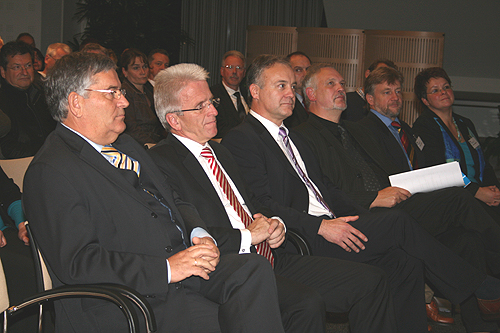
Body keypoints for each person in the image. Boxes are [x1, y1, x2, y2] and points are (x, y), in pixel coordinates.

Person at [221, 54, 500, 333]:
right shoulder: (243, 138)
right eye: (280, 86)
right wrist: (322, 226)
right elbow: (262, 204)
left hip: (335, 223)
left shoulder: (293, 138)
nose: (290, 94)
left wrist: (367, 220)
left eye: (292, 87)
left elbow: (327, 190)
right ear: (255, 91)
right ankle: (480, 287)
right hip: (301, 237)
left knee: (405, 262)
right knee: (397, 222)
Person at [22, 52, 285, 333]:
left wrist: (199, 234)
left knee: (252, 270)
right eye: (112, 93)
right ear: (76, 102)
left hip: (181, 269)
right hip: (129, 297)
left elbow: (173, 198)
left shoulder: (126, 145)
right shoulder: (51, 169)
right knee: (222, 319)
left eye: (121, 92)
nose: (124, 101)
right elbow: (78, 262)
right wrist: (167, 269)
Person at [148, 63, 397, 332]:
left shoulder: (219, 153)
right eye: (201, 106)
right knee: (306, 303)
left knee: (372, 280)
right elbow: (185, 231)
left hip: (271, 254)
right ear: (173, 120)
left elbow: (253, 204)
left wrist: (274, 224)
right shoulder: (161, 163)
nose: (214, 111)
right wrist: (248, 236)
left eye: (212, 101)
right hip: (231, 265)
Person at [412, 67, 500, 217]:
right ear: (425, 100)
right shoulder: (424, 126)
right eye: (435, 90)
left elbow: (484, 164)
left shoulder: (465, 124)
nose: (443, 92)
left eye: (446, 87)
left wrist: (494, 190)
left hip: (480, 194)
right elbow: (438, 170)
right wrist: (476, 192)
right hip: (452, 199)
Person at [0, 41, 56, 158]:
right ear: (3, 72)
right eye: (17, 67)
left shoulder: (43, 93)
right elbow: (8, 148)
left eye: (28, 65)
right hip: (20, 165)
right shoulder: (3, 102)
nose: (24, 72)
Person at [0, 166, 38, 332]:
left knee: (39, 260)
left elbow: (8, 192)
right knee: (21, 269)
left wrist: (22, 225)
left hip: (6, 232)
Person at [120, 48, 164, 145]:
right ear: (125, 71)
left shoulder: (150, 89)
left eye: (145, 66)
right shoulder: (124, 93)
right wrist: (153, 145)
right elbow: (131, 128)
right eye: (136, 68)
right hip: (138, 144)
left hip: (156, 141)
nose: (143, 71)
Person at [210, 50, 249, 139]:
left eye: (239, 68)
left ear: (244, 73)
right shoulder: (212, 95)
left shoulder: (249, 95)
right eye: (230, 67)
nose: (234, 72)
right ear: (222, 71)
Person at [284, 51, 311, 128]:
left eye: (308, 69)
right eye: (298, 70)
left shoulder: (318, 99)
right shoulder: (285, 101)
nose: (305, 74)